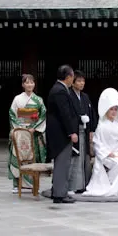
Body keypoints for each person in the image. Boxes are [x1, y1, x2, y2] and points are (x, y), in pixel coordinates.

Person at [45, 65, 79, 204]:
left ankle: (60, 191)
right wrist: (71, 132)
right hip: (60, 133)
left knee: (63, 163)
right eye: (72, 77)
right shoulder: (59, 91)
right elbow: (64, 114)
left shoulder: (60, 89)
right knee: (62, 163)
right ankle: (59, 194)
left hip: (60, 132)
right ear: (68, 77)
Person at [8, 74, 47, 194]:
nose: (30, 85)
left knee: (33, 157)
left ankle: (33, 184)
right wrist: (19, 127)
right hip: (20, 132)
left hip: (33, 132)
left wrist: (34, 128)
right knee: (18, 157)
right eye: (27, 82)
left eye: (32, 82)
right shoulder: (17, 99)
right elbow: (12, 114)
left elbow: (43, 115)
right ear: (23, 85)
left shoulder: (38, 100)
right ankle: (17, 184)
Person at [68, 70, 98, 193]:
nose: (82, 83)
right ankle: (73, 186)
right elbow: (68, 115)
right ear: (73, 82)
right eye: (79, 81)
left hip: (85, 131)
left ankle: (85, 184)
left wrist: (91, 129)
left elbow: (91, 113)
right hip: (75, 131)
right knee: (75, 158)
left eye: (83, 81)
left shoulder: (85, 97)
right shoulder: (69, 95)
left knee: (85, 158)